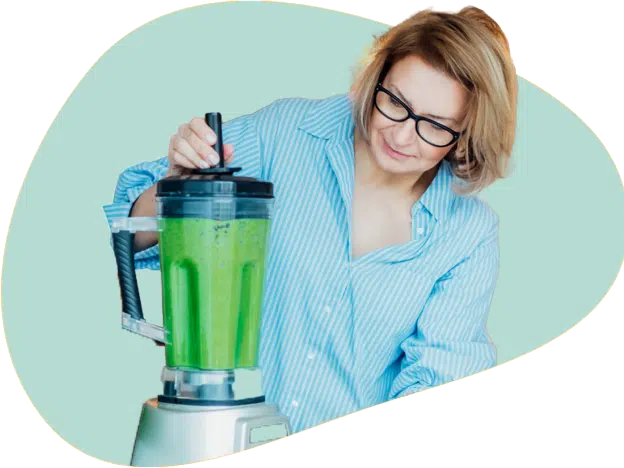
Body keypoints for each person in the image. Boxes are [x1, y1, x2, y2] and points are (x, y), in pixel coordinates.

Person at [103, 6, 518, 434]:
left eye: (434, 125)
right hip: (216, 437)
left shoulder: (467, 236)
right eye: (395, 102)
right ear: (375, 79)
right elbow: (130, 234)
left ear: (466, 134)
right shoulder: (284, 133)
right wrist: (180, 187)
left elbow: (434, 398)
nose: (401, 135)